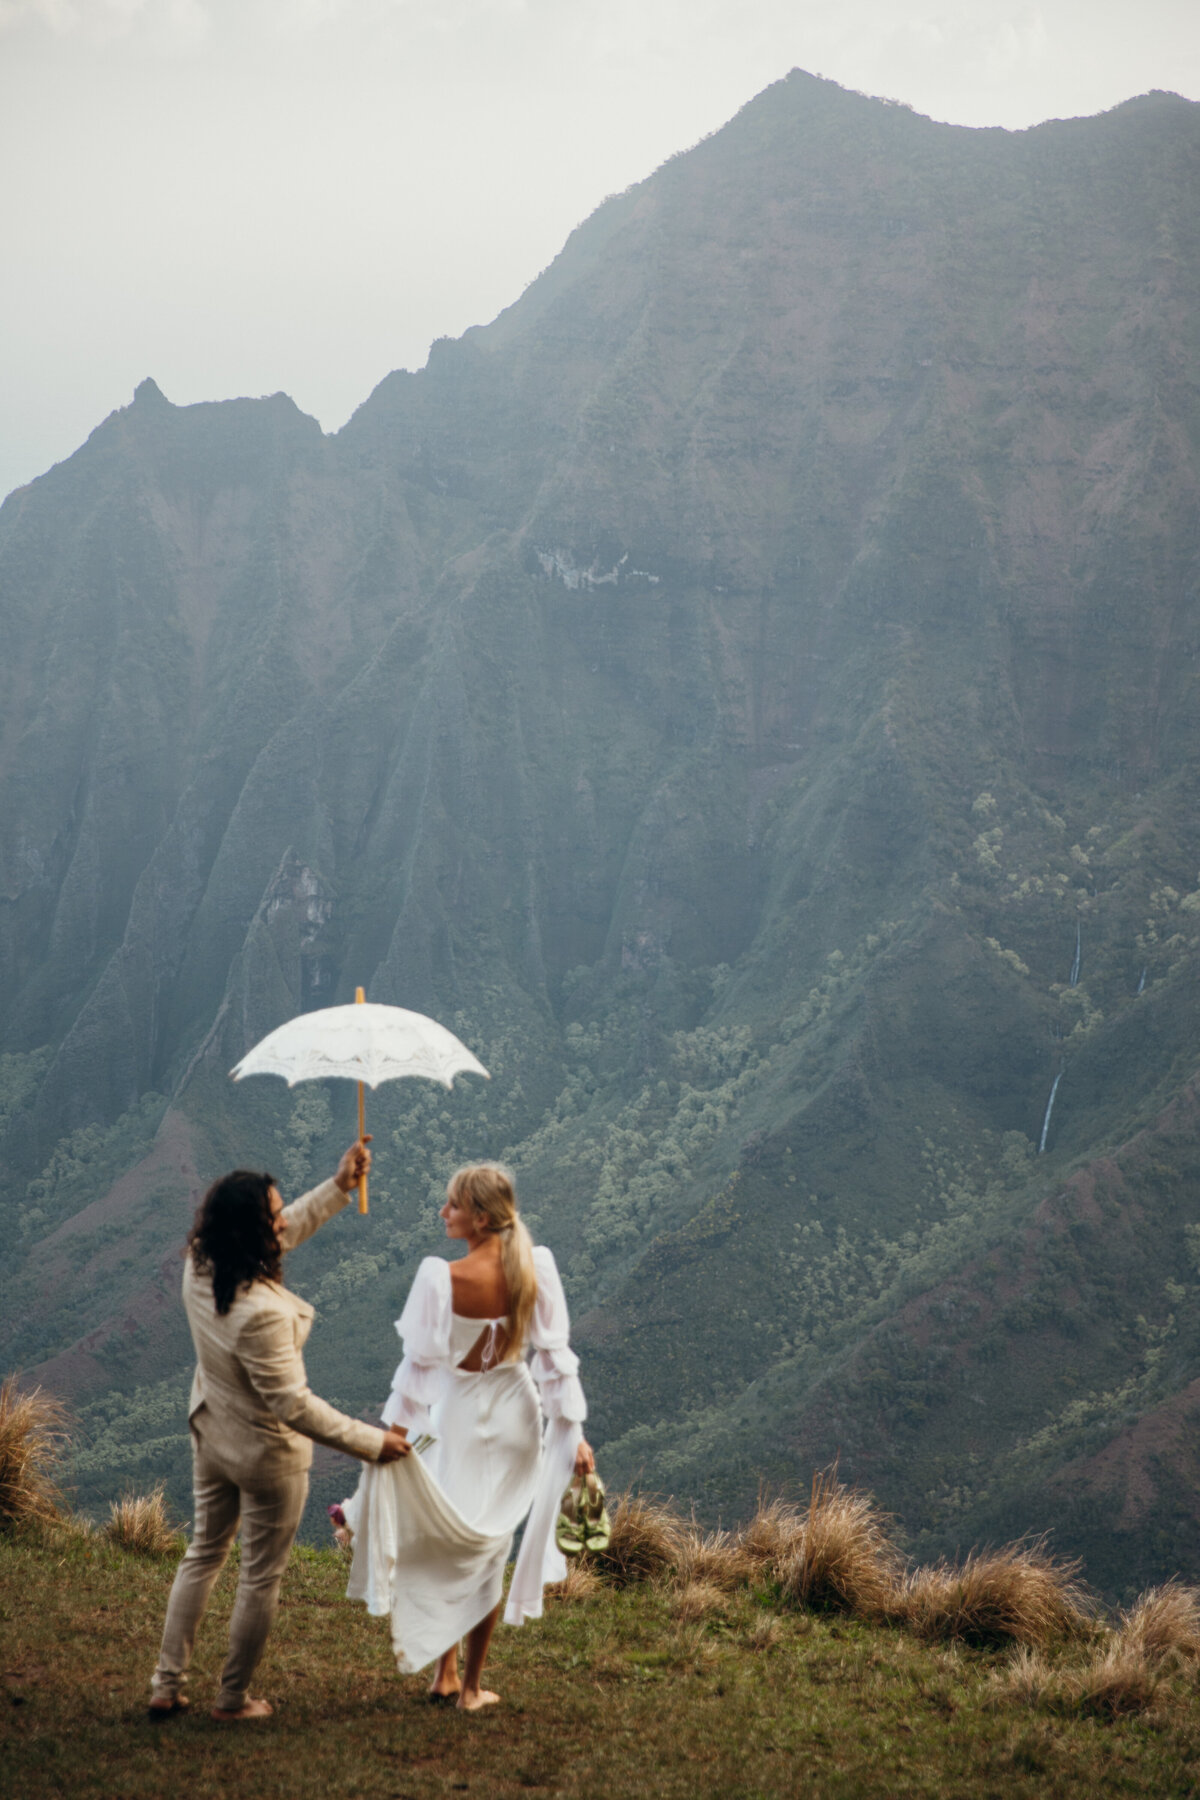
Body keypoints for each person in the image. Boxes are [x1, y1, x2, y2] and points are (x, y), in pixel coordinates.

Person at [148, 1138, 409, 1724]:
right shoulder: (261, 1312)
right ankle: (233, 1699)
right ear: (252, 1231)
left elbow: (282, 1231)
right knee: (259, 1576)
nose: (281, 1220)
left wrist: (340, 1185)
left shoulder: (201, 1261)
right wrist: (373, 1442)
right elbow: (294, 1406)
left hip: (213, 1432)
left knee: (202, 1554)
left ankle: (165, 1686)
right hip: (267, 1456)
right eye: (272, 1213)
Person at [337, 1162, 594, 1710]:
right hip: (517, 1415)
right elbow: (554, 1364)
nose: (442, 1212)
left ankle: (447, 1673)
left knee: (451, 1538)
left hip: (460, 1412)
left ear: (479, 1217)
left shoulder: (442, 1279)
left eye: (451, 1204)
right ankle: (470, 1685)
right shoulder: (535, 1269)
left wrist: (391, 1439)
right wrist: (574, 1435)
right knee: (490, 1543)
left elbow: (418, 1372)